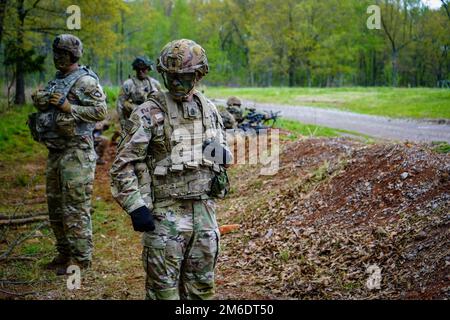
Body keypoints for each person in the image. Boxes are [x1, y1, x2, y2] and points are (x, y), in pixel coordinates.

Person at [110, 39, 232, 300]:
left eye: (184, 77)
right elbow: (122, 165)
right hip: (164, 218)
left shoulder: (208, 109)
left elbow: (219, 153)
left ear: (198, 75)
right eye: (170, 76)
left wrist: (219, 154)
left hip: (204, 216)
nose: (176, 83)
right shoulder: (149, 112)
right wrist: (135, 205)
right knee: (163, 294)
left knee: (201, 291)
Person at [29, 34, 107, 274]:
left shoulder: (85, 81)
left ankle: (80, 259)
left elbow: (101, 111)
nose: (58, 58)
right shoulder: (57, 80)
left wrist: (69, 107)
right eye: (56, 54)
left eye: (63, 54)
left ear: (74, 55)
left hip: (77, 152)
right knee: (56, 205)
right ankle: (64, 253)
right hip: (56, 151)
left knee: (75, 206)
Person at [117, 56, 161, 130]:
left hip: (152, 118)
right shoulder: (128, 84)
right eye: (138, 69)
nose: (140, 71)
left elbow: (161, 102)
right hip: (134, 120)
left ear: (148, 69)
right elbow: (120, 104)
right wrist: (123, 121)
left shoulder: (155, 84)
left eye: (143, 69)